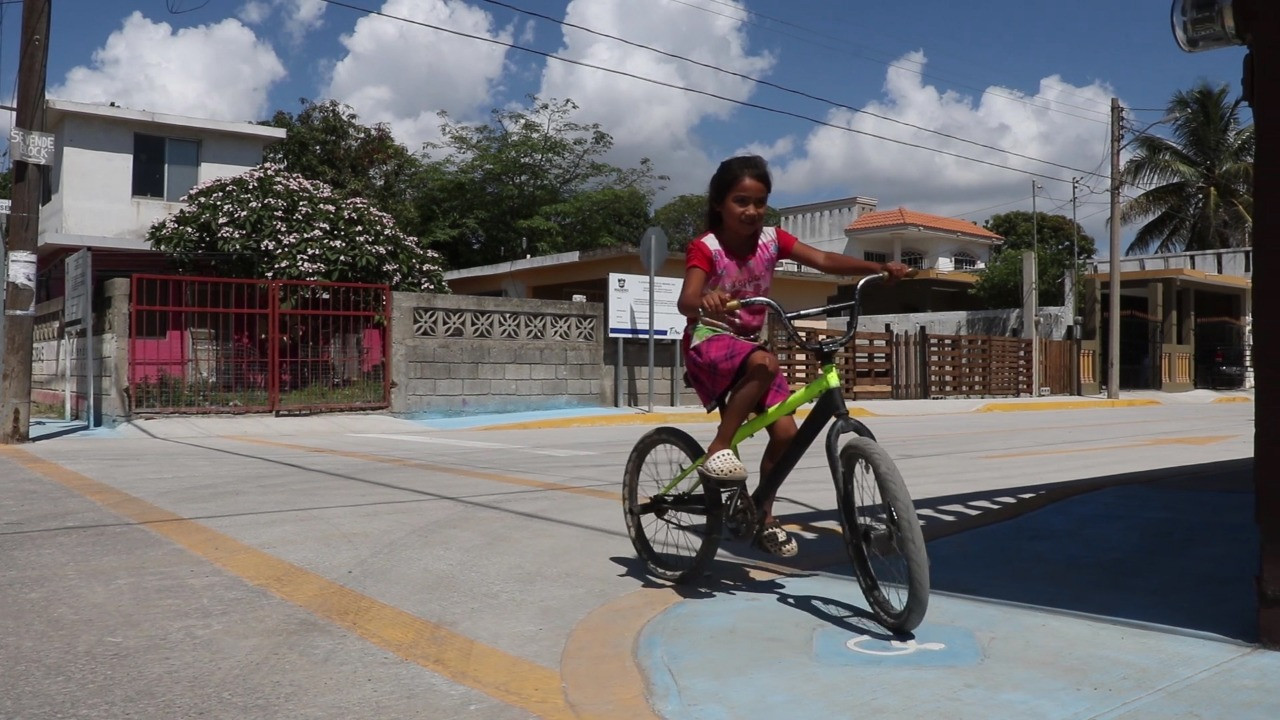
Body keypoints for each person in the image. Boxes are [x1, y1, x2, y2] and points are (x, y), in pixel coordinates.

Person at [676, 155, 908, 557]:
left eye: (759, 202)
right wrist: (706, 299)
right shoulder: (706, 248)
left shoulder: (773, 240)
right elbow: (686, 301)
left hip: (748, 345)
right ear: (719, 203)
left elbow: (823, 260)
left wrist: (877, 268)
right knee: (765, 363)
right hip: (708, 339)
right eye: (740, 201)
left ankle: (761, 513)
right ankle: (720, 446)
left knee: (786, 434)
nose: (751, 211)